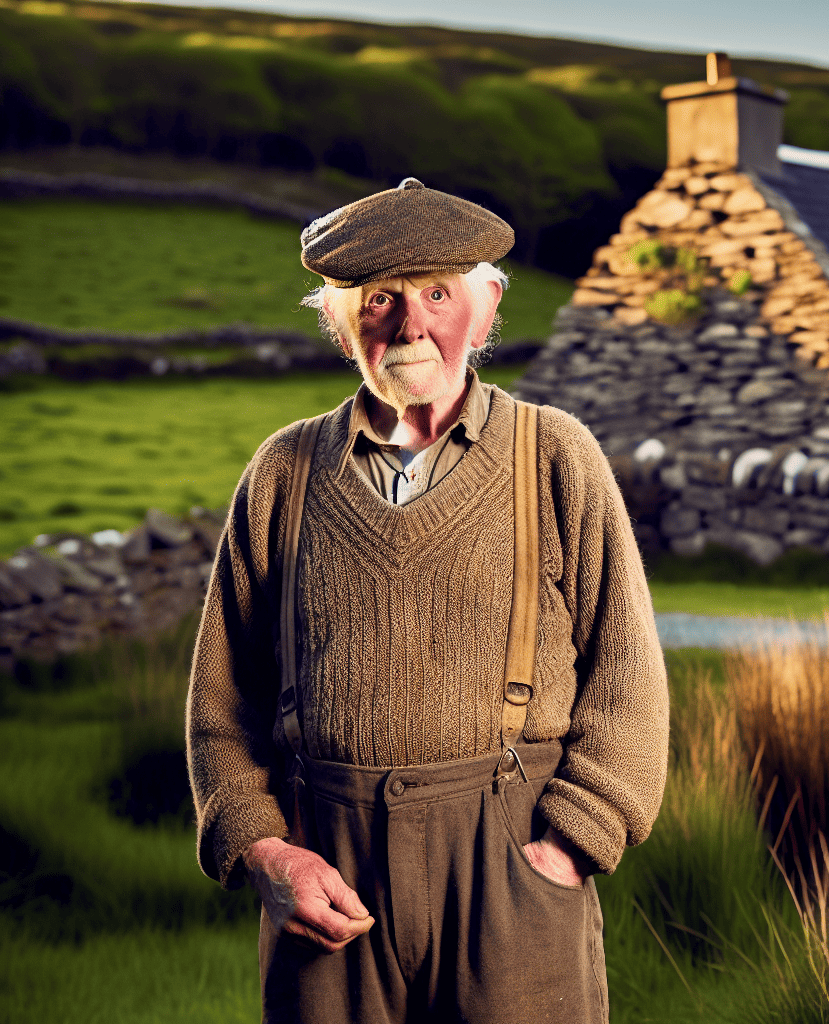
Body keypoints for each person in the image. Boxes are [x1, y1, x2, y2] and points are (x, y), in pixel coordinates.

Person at [186, 177, 668, 1023]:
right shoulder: (283, 472)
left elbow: (629, 675)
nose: (411, 325)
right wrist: (265, 852)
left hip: (511, 867)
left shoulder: (554, 456)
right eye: (380, 300)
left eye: (437, 294)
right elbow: (221, 706)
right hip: (325, 868)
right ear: (341, 322)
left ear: (483, 313)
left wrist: (568, 846)